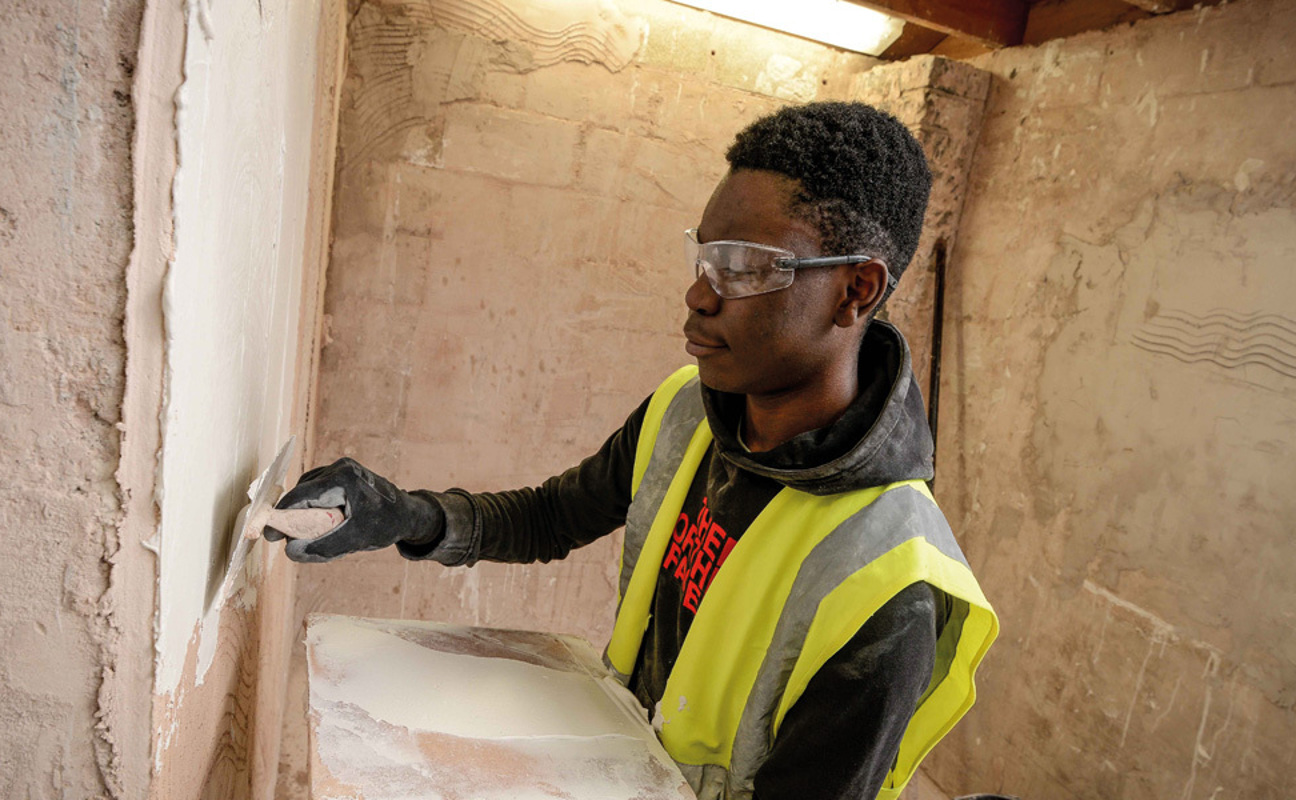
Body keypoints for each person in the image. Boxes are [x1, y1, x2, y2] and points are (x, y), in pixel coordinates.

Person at [266, 101, 997, 800]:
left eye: (743, 268)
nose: (698, 296)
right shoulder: (690, 412)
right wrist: (403, 514)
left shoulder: (891, 582)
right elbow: (555, 516)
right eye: (706, 258)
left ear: (855, 291)